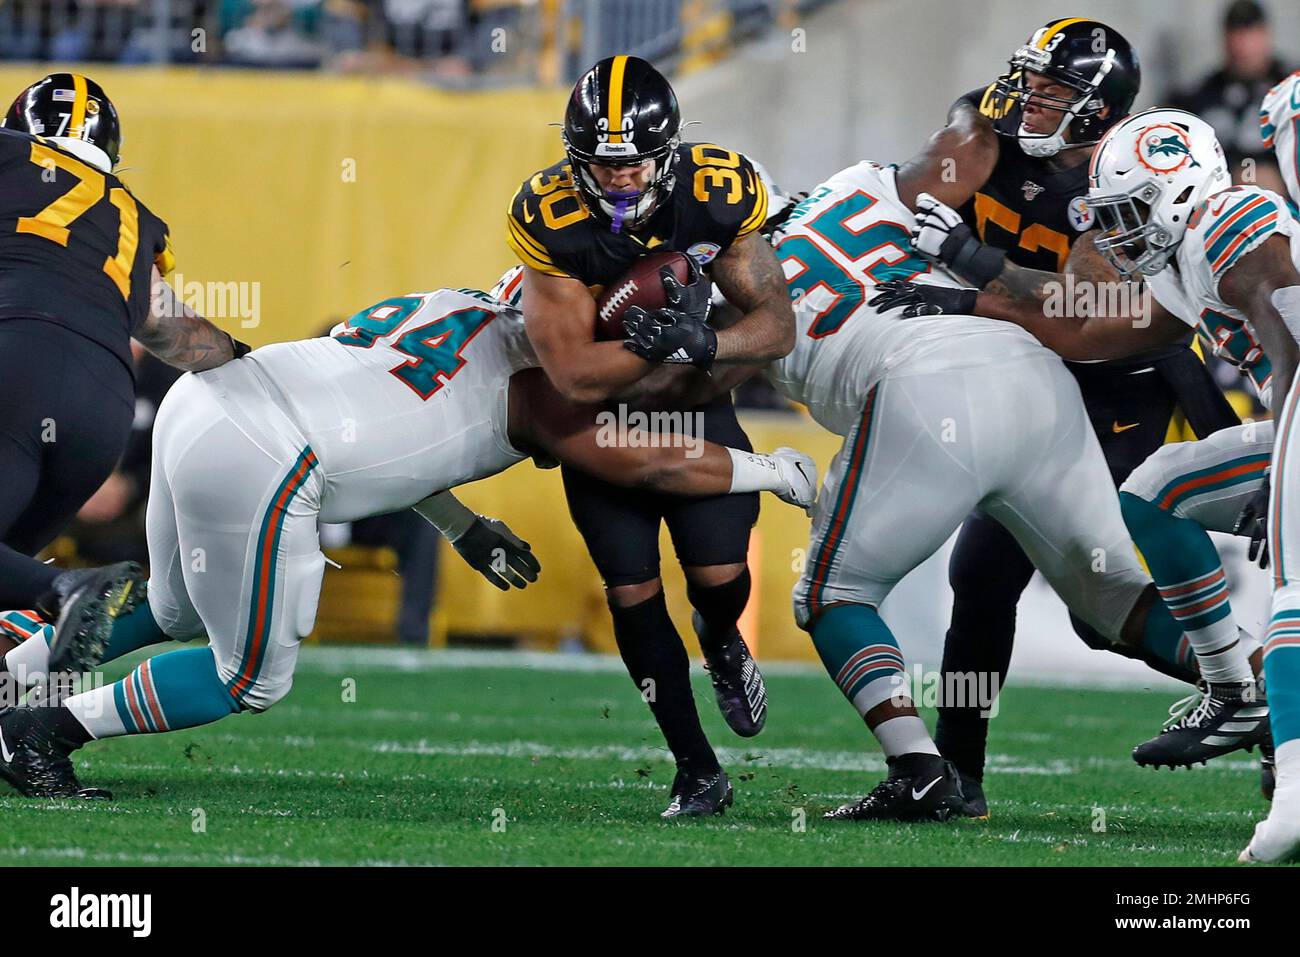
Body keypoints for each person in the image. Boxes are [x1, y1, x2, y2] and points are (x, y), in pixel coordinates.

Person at [0, 284, 815, 800]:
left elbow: (395, 426)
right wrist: (772, 470)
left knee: (174, 608)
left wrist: (462, 525)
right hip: (270, 453)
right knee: (245, 677)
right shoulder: (550, 391)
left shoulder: (449, 303)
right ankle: (42, 730)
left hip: (208, 398)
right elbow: (657, 467)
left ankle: (13, 677)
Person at [872, 107, 1300, 859]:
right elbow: (1091, 330)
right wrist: (971, 297)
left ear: (1177, 189)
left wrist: (1284, 461)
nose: (1118, 232)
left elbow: (1291, 331)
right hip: (1282, 423)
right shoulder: (1181, 261)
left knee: (1235, 555)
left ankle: (1251, 712)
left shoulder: (1231, 219)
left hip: (1285, 419)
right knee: (1155, 493)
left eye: (1130, 211)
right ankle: (1237, 691)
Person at [506, 55, 795, 816]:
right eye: (603, 165)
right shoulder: (550, 217)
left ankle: (722, 636)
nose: (622, 179)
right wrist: (654, 340)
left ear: (668, 153)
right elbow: (571, 375)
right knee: (632, 591)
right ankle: (696, 767)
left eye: (635, 162)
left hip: (694, 403)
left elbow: (776, 326)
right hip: (600, 422)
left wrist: (705, 345)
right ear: (575, 161)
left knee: (718, 577)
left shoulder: (715, 193)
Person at [0, 73, 247, 679]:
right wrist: (254, 361)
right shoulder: (133, 220)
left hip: (15, 364)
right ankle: (22, 728)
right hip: (101, 408)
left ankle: (63, 594)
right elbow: (174, 333)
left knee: (29, 578)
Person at [1173, 0, 1291, 196]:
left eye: (1249, 34)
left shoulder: (1290, 89)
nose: (1242, 46)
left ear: (1266, 35)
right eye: (1236, 35)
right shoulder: (1200, 95)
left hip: (1285, 207)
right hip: (1215, 200)